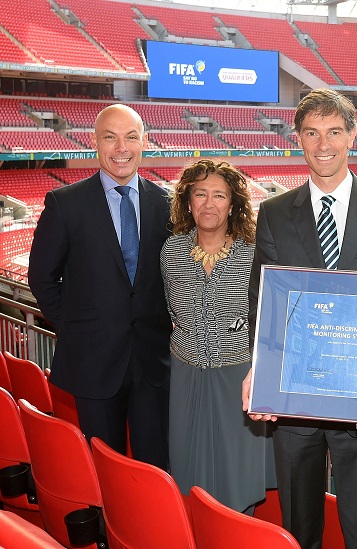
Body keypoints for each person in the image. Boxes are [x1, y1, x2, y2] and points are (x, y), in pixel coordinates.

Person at [241, 88, 357, 549]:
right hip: (296, 396)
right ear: (298, 138)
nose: (323, 144)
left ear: (352, 135)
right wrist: (261, 370)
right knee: (299, 532)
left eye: (334, 132)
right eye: (312, 133)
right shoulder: (276, 212)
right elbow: (263, 300)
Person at [28, 104, 172, 469]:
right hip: (93, 362)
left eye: (131, 137)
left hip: (152, 365)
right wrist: (76, 330)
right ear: (95, 142)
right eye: (110, 137)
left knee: (156, 467)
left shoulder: (165, 204)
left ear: (144, 142)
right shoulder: (64, 204)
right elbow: (42, 278)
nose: (121, 148)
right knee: (105, 468)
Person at [161, 159, 275, 513]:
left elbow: (266, 318)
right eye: (200, 194)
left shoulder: (254, 253)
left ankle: (236, 539)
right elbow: (172, 312)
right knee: (189, 471)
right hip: (186, 377)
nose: (209, 204)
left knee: (237, 476)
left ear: (233, 204)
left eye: (219, 195)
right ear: (187, 201)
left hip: (239, 379)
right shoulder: (171, 252)